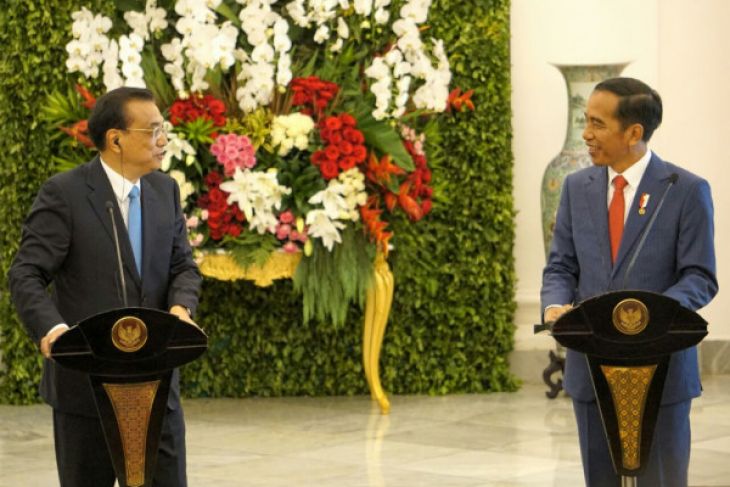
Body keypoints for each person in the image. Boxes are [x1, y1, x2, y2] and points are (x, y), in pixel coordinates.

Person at [9, 86, 202, 487]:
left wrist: (181, 310)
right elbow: (26, 273)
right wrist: (54, 331)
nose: (162, 140)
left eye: (162, 129)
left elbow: (183, 265)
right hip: (85, 387)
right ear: (115, 139)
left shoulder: (165, 191)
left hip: (156, 384)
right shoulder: (65, 194)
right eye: (152, 131)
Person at [541, 77, 717, 487]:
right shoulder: (575, 188)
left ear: (634, 132)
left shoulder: (687, 190)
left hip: (663, 372)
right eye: (586, 121)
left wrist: (654, 316)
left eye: (598, 124)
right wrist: (553, 306)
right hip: (591, 371)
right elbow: (561, 268)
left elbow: (700, 276)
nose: (586, 134)